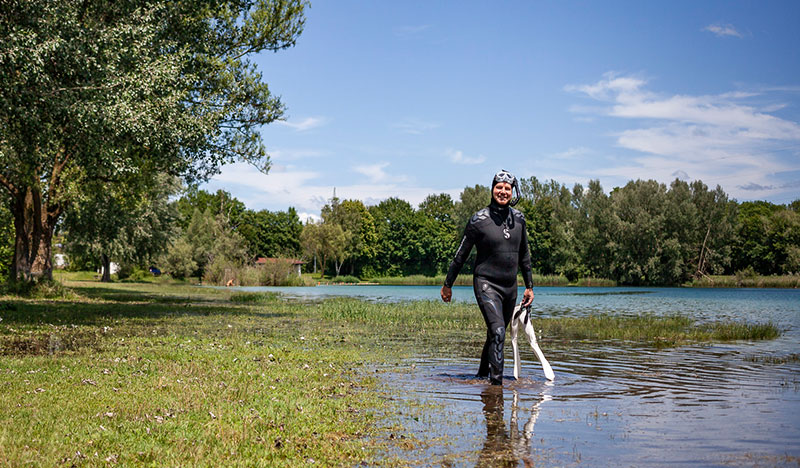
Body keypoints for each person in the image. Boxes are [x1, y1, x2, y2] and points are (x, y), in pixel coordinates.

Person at [440, 170, 534, 385]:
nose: (502, 191)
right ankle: (496, 388)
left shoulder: (519, 219)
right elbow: (460, 255)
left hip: (510, 286)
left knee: (495, 333)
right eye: (498, 187)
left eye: (507, 189)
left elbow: (524, 254)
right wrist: (448, 285)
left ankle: (482, 376)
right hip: (486, 283)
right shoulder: (479, 220)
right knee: (499, 331)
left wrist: (529, 286)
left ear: (513, 192)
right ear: (492, 189)